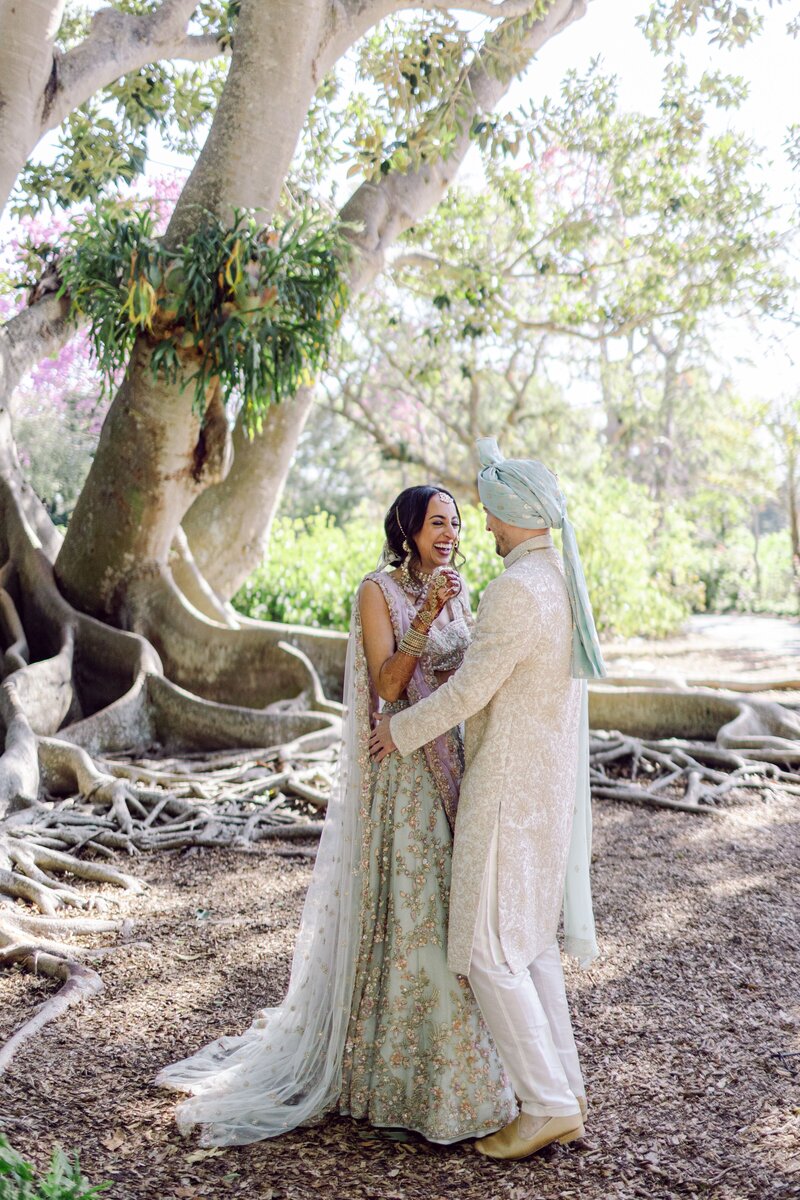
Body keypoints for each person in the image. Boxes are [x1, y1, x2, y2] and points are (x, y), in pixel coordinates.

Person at [156, 484, 515, 1145]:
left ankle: (460, 1071)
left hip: (450, 762)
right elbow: (385, 683)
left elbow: (464, 678)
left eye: (457, 523)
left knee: (451, 910)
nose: (451, 532)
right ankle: (394, 1076)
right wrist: (428, 613)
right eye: (438, 522)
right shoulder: (377, 590)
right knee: (414, 916)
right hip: (402, 772)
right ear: (408, 530)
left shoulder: (458, 586)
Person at [369, 438, 604, 1162]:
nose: (482, 530)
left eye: (486, 518)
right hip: (546, 785)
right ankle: (564, 1088)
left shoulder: (513, 589)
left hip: (505, 786)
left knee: (485, 951)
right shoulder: (558, 581)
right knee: (529, 946)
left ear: (510, 515)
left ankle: (546, 1104)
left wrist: (399, 733)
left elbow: (472, 690)